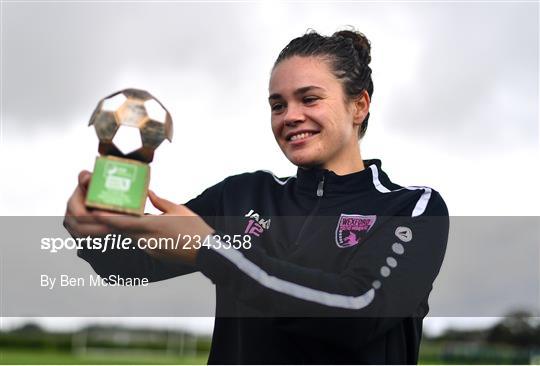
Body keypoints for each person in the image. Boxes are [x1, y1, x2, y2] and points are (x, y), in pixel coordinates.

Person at [64, 29, 449, 364]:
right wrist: (95, 226)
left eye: (309, 99)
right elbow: (128, 265)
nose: (290, 116)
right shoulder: (242, 195)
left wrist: (210, 250)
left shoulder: (412, 208)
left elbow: (359, 309)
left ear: (359, 105)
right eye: (278, 105)